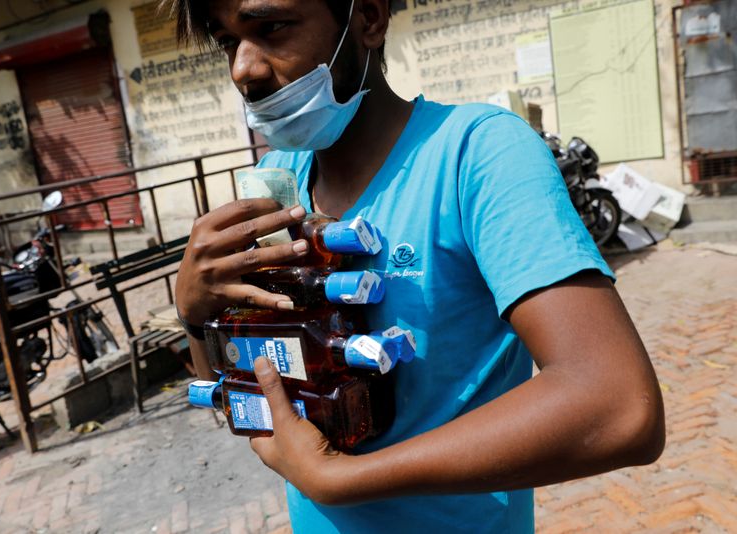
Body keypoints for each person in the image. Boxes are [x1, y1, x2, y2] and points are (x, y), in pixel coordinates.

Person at [170, 0, 666, 532]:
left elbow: (615, 405)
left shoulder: (476, 153)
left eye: (271, 28)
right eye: (227, 42)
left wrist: (342, 478)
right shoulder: (275, 179)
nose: (243, 69)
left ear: (369, 19)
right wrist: (196, 316)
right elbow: (241, 392)